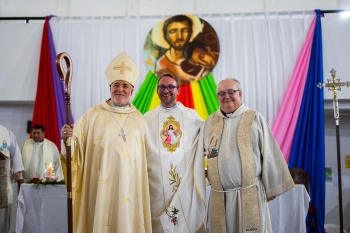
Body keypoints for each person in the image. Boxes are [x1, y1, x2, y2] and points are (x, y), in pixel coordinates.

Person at [60, 51, 151, 233]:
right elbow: (75, 150)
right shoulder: (92, 114)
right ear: (110, 87)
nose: (120, 89)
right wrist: (68, 139)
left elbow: (146, 160)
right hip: (100, 186)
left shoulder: (140, 119)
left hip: (130, 187)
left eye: (125, 85)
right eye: (116, 84)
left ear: (131, 90)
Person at [201, 78, 295, 233]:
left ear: (240, 94)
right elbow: (202, 153)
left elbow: (269, 152)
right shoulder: (210, 121)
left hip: (249, 192)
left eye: (231, 92)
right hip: (219, 196)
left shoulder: (254, 117)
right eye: (222, 93)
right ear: (217, 96)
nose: (227, 96)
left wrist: (271, 186)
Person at [144, 73, 206, 233]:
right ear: (157, 91)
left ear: (178, 90)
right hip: (156, 188)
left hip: (185, 185)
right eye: (162, 87)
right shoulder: (145, 119)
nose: (166, 90)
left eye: (171, 86)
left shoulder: (192, 117)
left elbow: (211, 138)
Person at [155, 15, 196, 83]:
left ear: (191, 33)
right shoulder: (161, 63)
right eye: (173, 31)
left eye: (185, 30)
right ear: (165, 35)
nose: (179, 37)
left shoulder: (198, 60)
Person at [0, 125, 24, 233]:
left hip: (3, 179)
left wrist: (17, 170)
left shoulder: (7, 133)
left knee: (3, 214)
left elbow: (15, 151)